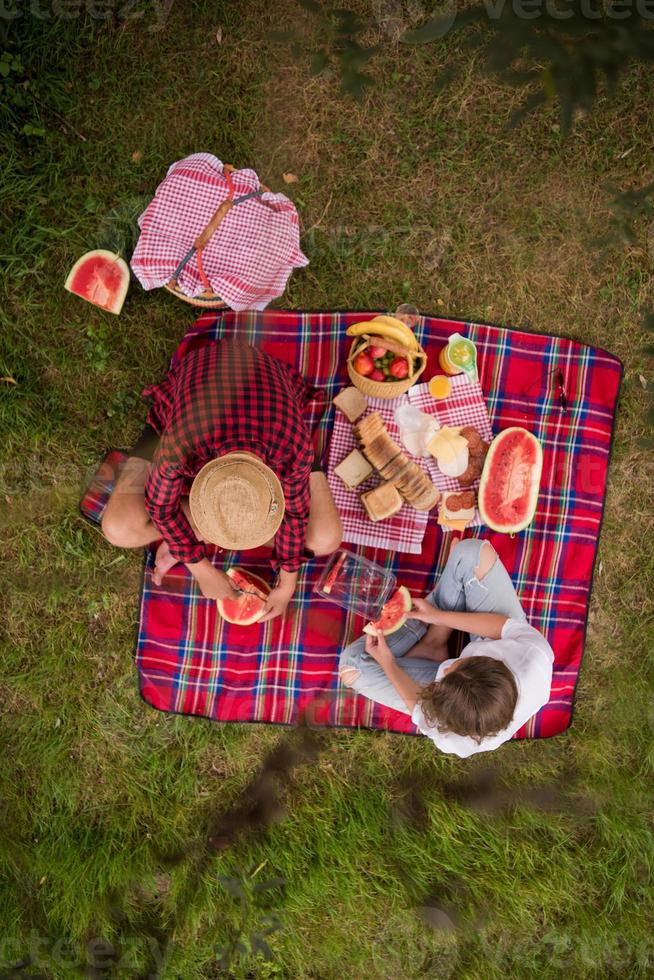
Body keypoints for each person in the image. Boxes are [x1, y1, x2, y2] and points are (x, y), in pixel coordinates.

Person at [102, 337, 343, 622]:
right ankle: (155, 438)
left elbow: (294, 514)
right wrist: (200, 568)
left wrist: (288, 582)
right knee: (118, 528)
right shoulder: (179, 447)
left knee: (327, 539)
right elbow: (160, 508)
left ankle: (196, 529)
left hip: (270, 389)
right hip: (187, 400)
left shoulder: (292, 451)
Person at [339, 538, 553, 757]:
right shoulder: (532, 656)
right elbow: (500, 626)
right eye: (458, 663)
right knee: (470, 554)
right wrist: (439, 618)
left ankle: (432, 628)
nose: (445, 668)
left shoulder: (456, 737)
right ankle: (434, 639)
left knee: (351, 668)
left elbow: (420, 708)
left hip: (444, 699)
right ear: (492, 660)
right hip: (491, 638)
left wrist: (388, 663)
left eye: (444, 674)